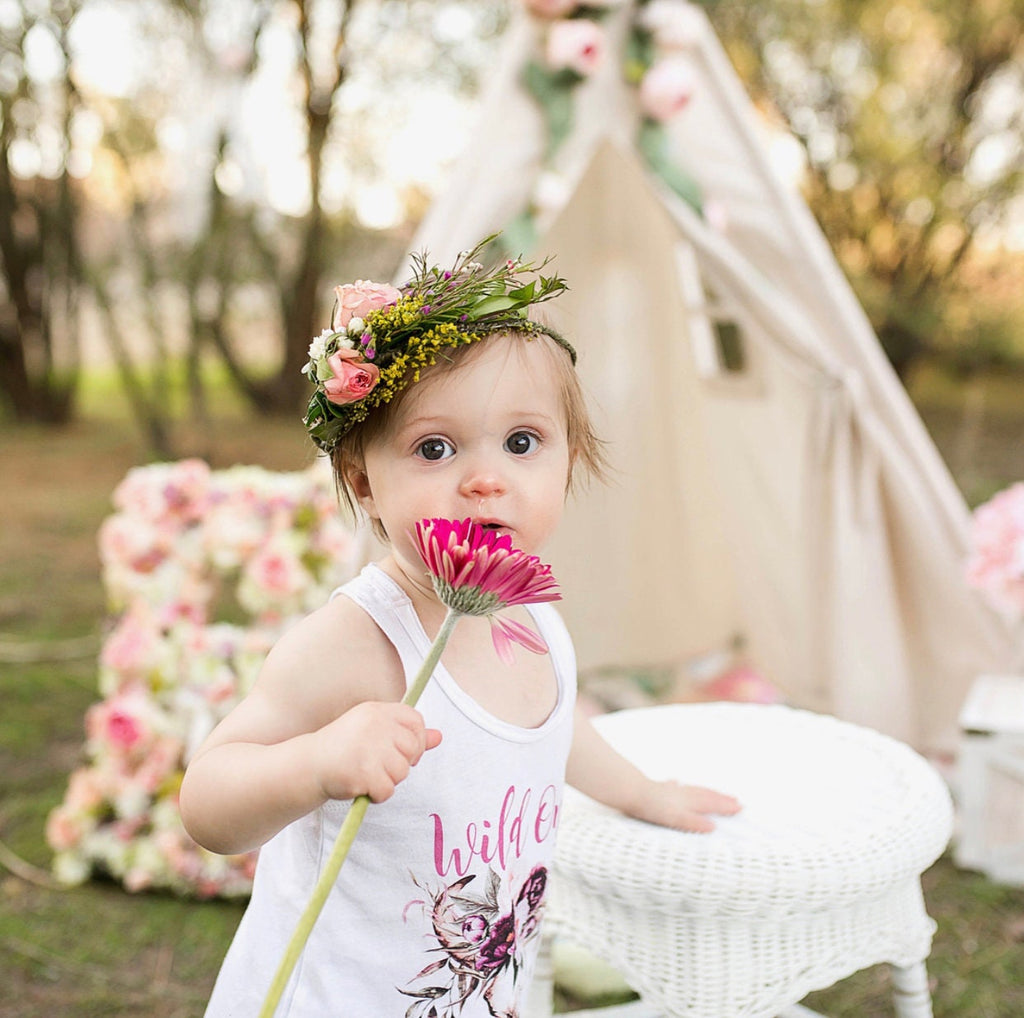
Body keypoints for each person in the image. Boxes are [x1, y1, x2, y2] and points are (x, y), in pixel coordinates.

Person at [180, 240, 740, 1018]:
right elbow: (207, 801)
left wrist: (642, 793)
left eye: (521, 443)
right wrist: (317, 762)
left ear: (568, 460)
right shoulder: (355, 643)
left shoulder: (530, 616)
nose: (485, 479)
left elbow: (552, 734)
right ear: (364, 483)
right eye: (434, 448)